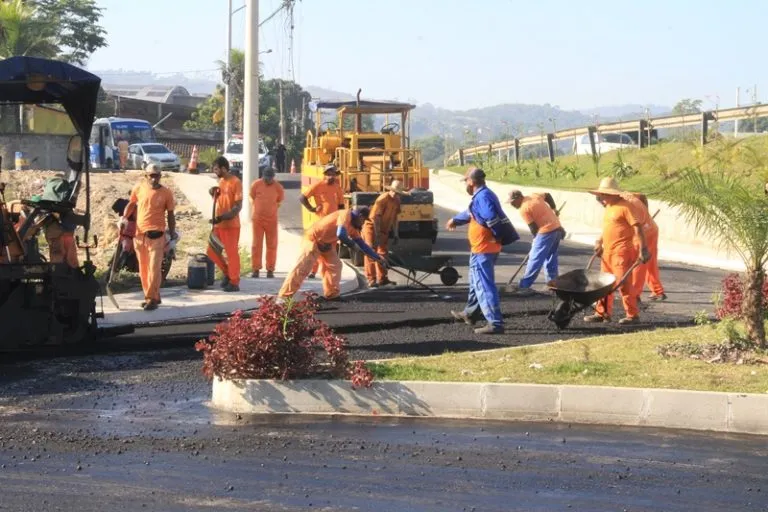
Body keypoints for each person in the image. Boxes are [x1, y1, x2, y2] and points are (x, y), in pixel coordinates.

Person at [447, 168, 519, 335]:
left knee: (484, 286)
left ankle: (495, 323)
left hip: (484, 249)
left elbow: (489, 216)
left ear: (471, 182)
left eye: (466, 181)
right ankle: (470, 313)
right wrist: (455, 220)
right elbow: (470, 213)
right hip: (481, 248)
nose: (466, 184)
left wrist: (496, 234)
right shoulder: (483, 195)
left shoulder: (483, 196)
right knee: (475, 283)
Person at [278, 207, 385, 302]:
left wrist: (378, 258)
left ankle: (332, 294)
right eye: (363, 220)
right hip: (313, 240)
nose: (363, 223)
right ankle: (285, 295)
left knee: (335, 265)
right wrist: (352, 245)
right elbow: (340, 234)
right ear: (360, 216)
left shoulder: (352, 227)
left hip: (326, 244)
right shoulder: (345, 215)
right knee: (303, 268)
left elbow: (363, 245)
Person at [586, 177, 651, 325]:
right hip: (607, 252)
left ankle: (633, 315)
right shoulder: (608, 208)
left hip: (621, 252)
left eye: (604, 194)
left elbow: (638, 228)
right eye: (601, 194)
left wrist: (643, 249)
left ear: (612, 194)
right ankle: (602, 313)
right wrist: (599, 241)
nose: (601, 197)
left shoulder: (626, 207)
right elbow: (608, 229)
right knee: (603, 283)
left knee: (623, 284)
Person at [123, 164, 177, 311]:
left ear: (160, 176)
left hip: (157, 236)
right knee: (144, 269)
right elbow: (131, 204)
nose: (154, 178)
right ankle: (153, 295)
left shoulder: (166, 193)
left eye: (157, 175)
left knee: (154, 268)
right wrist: (124, 218)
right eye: (151, 175)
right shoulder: (139, 188)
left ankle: (151, 299)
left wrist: (172, 233)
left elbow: (171, 215)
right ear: (146, 175)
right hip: (140, 236)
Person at [507, 189, 564, 294]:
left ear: (519, 198)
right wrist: (553, 208)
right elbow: (548, 195)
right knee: (550, 258)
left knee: (535, 259)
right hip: (556, 229)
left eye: (513, 202)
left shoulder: (524, 209)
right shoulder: (535, 196)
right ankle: (553, 285)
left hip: (546, 232)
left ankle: (524, 286)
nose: (512, 205)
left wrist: (535, 240)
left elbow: (533, 228)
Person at [299, 164, 345, 279]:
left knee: (331, 249)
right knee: (316, 248)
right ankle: (312, 271)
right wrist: (312, 209)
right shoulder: (318, 185)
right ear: (325, 175)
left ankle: (326, 272)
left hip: (333, 225)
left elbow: (341, 206)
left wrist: (341, 222)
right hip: (320, 224)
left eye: (333, 175)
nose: (331, 177)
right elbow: (302, 198)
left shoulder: (337, 188)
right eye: (329, 174)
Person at [363, 180, 407, 288]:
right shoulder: (383, 199)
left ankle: (382, 278)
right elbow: (375, 218)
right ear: (390, 190)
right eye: (394, 191)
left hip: (384, 229)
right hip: (372, 228)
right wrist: (377, 234)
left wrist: (396, 234)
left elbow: (395, 218)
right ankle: (371, 279)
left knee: (383, 253)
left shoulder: (397, 201)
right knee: (370, 252)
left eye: (397, 193)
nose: (395, 194)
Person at [207, 156, 242, 292]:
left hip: (231, 225)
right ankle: (228, 273)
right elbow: (221, 201)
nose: (215, 172)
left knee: (231, 254)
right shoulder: (220, 181)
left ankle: (234, 282)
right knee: (211, 251)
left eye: (216, 169)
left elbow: (237, 207)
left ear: (223, 168)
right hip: (218, 225)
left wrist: (223, 217)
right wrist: (212, 193)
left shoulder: (235, 182)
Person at [623, 192, 666, 302]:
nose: (603, 203)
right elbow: (641, 196)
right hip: (650, 228)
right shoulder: (628, 197)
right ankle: (658, 290)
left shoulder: (625, 203)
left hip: (645, 232)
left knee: (640, 262)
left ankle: (634, 294)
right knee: (649, 261)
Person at [249, 166, 285, 279]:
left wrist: (271, 209)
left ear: (273, 177)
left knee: (272, 245)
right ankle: (256, 269)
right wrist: (256, 206)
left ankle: (270, 269)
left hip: (271, 220)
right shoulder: (256, 184)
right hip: (258, 220)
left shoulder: (278, 187)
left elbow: (280, 201)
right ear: (262, 176)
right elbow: (251, 196)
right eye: (266, 178)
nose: (267, 180)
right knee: (256, 245)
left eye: (269, 178)